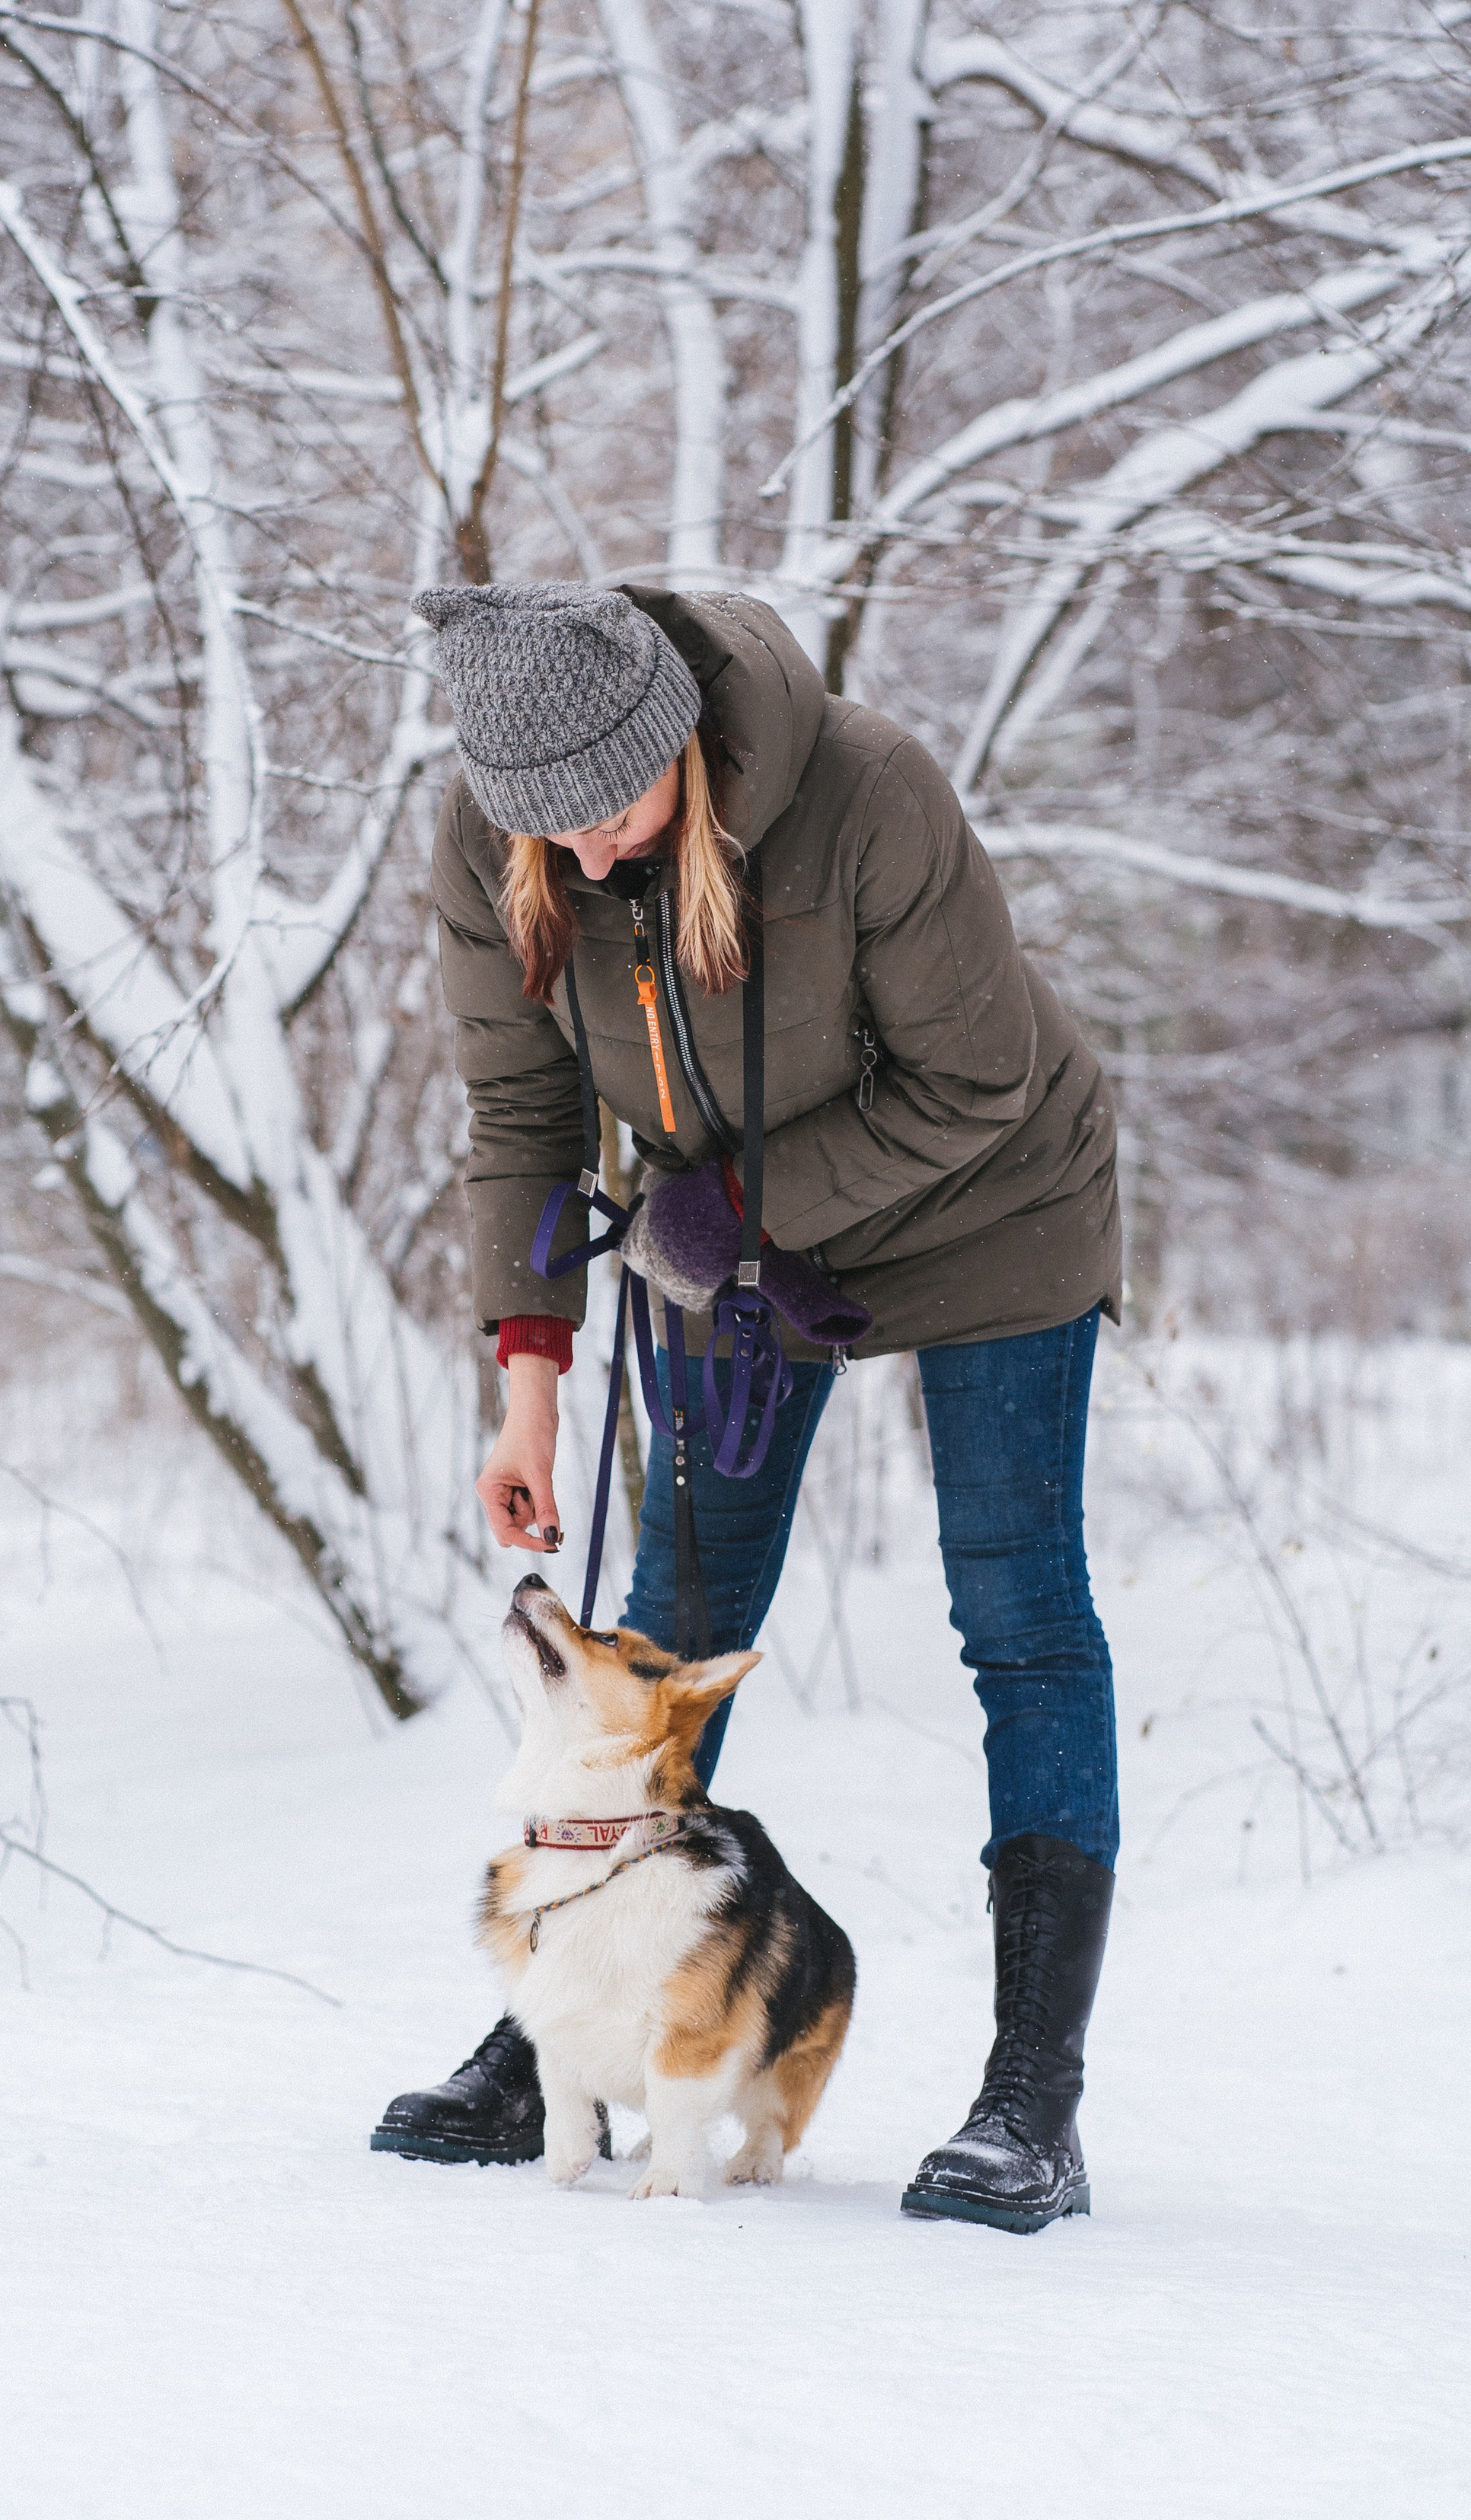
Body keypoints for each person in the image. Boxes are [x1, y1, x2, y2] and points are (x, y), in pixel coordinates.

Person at [369, 580, 1122, 2235]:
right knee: (679, 1614)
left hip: (991, 1207)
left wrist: (727, 1216)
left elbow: (977, 1078)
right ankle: (562, 2033)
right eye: (546, 828)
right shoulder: (501, 837)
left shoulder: (867, 793)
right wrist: (528, 1386)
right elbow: (521, 1109)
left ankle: (1030, 2106)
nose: (581, 858)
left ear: (682, 746)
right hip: (727, 1242)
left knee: (1018, 1613)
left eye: (611, 810)